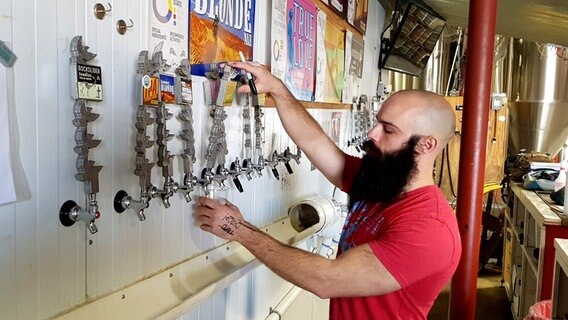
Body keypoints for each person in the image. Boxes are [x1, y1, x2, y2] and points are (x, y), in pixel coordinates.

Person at [196, 61, 462, 320]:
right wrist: (277, 89)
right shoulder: (381, 179)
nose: (372, 133)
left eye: (388, 130)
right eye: (378, 122)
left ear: (426, 145)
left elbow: (325, 279)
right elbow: (315, 143)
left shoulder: (430, 229)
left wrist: (238, 229)